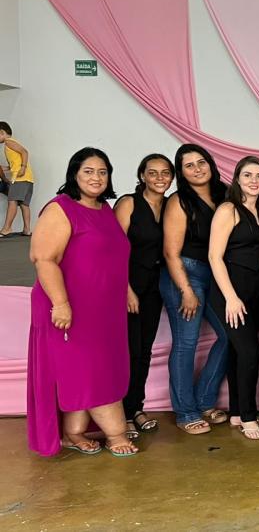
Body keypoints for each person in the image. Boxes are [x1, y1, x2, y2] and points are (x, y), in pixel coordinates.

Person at [27, 147, 137, 457]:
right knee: (91, 368)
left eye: (103, 172)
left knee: (94, 368)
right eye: (89, 171)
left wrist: (126, 290)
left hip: (103, 309)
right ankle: (115, 433)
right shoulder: (60, 208)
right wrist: (60, 303)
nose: (97, 177)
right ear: (74, 174)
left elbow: (112, 258)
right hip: (68, 307)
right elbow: (43, 258)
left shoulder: (104, 210)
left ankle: (73, 431)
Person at [160, 144, 230, 435]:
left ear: (211, 164)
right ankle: (186, 411)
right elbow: (170, 252)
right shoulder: (179, 201)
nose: (197, 168)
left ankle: (204, 400)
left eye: (201, 162)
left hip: (215, 274)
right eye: (189, 165)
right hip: (185, 273)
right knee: (186, 343)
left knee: (230, 335)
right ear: (181, 172)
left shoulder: (225, 194)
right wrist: (186, 289)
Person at [207, 156, 259, 440]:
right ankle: (248, 416)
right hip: (230, 292)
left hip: (255, 290)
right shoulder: (228, 209)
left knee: (237, 351)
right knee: (249, 351)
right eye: (248, 175)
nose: (254, 181)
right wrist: (231, 298)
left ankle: (236, 411)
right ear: (237, 179)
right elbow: (214, 256)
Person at [113, 153, 174, 439]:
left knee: (144, 351)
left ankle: (136, 407)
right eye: (153, 173)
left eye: (165, 173)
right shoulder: (129, 203)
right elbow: (112, 250)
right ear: (142, 176)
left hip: (153, 289)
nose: (160, 178)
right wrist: (126, 290)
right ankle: (121, 415)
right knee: (127, 351)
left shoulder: (171, 206)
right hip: (126, 286)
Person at [0, 122, 34, 237]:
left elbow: (24, 152)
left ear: (2, 132)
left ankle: (7, 228)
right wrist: (6, 168)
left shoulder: (9, 142)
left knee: (12, 201)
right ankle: (27, 229)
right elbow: (15, 162)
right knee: (24, 204)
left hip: (20, 178)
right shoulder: (12, 143)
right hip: (28, 179)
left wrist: (23, 167)